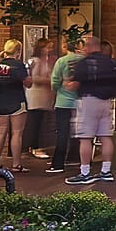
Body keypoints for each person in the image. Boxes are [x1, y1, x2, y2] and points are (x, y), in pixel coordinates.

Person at [66, 35, 116, 184]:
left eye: (85, 46)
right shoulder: (112, 63)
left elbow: (75, 84)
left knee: (85, 138)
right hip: (106, 102)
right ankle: (106, 171)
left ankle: (85, 172)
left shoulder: (84, 63)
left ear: (90, 46)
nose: (84, 49)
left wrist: (68, 84)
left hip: (88, 101)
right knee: (106, 136)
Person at [0, 38, 30, 173]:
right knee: (17, 133)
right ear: (18, 52)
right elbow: (28, 83)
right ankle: (16, 164)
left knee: (2, 131)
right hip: (17, 100)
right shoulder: (18, 65)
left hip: (2, 100)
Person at [46, 38, 83, 174]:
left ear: (66, 47)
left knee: (63, 133)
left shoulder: (61, 61)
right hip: (81, 101)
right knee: (79, 132)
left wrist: (59, 88)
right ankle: (76, 158)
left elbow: (54, 82)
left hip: (63, 101)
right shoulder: (83, 60)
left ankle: (58, 164)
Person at [23, 38, 57, 159]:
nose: (50, 50)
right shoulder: (36, 61)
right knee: (35, 122)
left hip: (45, 96)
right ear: (42, 48)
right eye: (48, 47)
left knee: (42, 123)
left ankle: (36, 147)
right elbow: (35, 78)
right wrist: (50, 81)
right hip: (36, 96)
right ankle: (34, 147)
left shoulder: (48, 61)